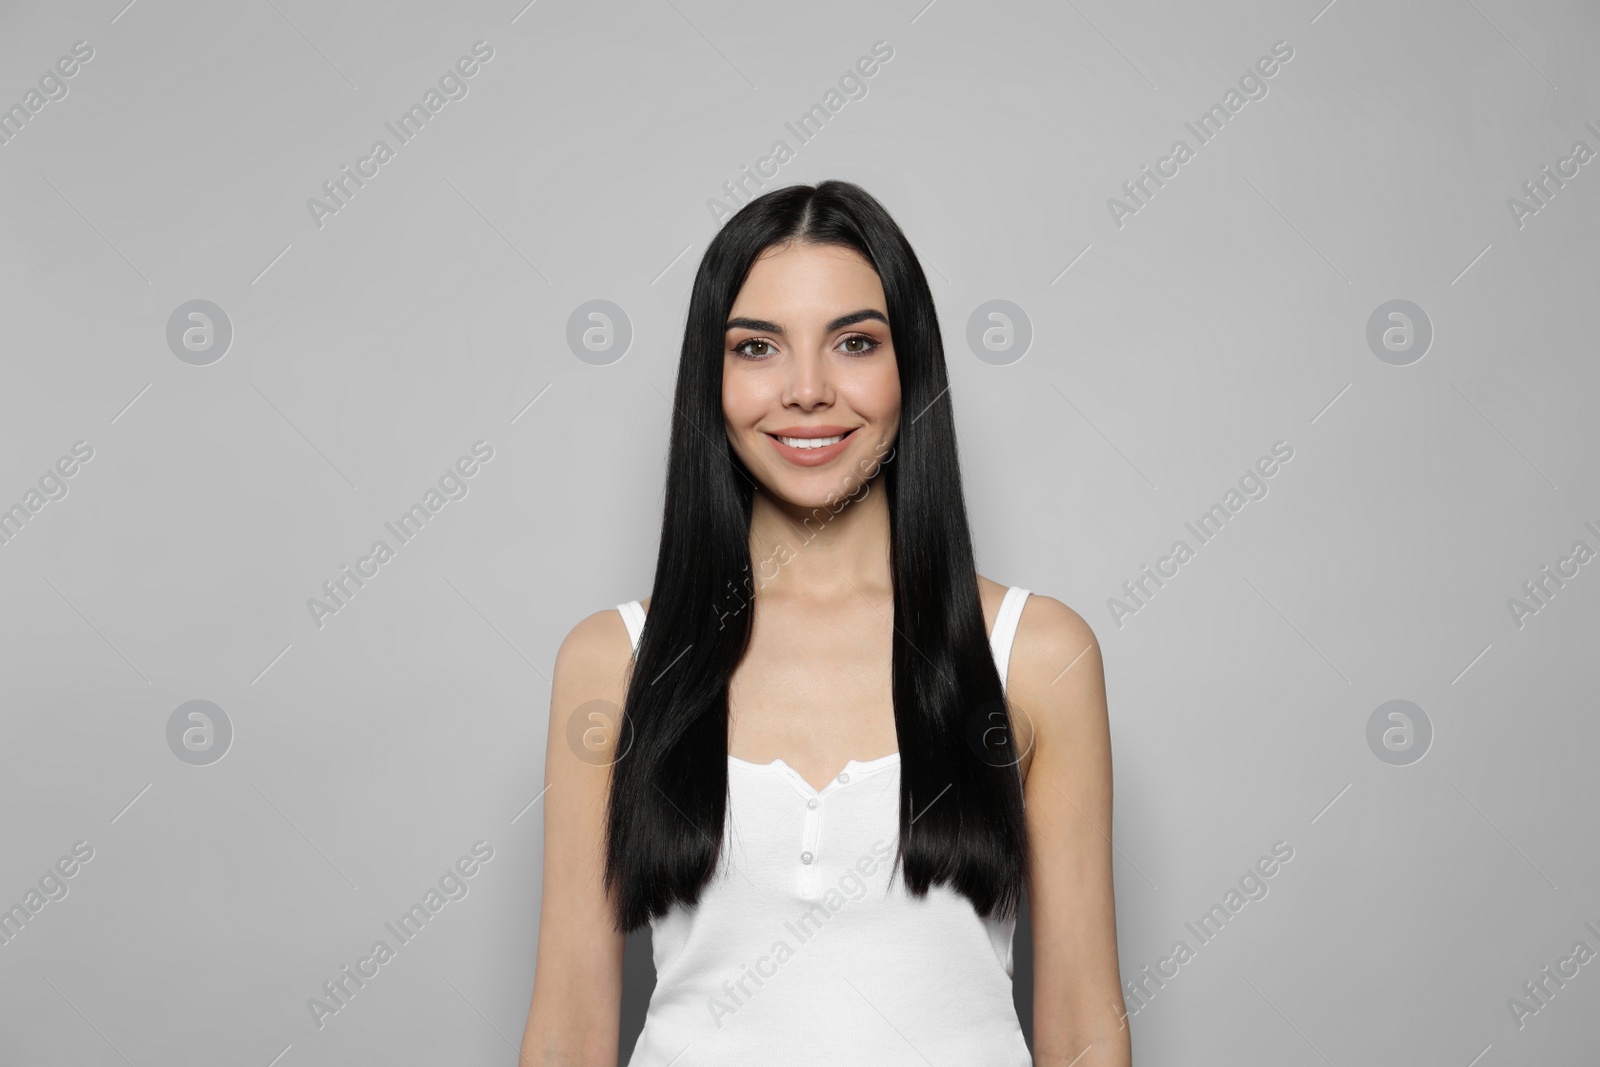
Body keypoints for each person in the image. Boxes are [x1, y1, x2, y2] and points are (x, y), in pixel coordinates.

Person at [519, 180, 1128, 1066]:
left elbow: (1083, 1026)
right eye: (758, 347)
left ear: (909, 365)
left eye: (854, 342)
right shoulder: (612, 662)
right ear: (712, 378)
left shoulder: (1037, 655)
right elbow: (568, 1025)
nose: (807, 390)